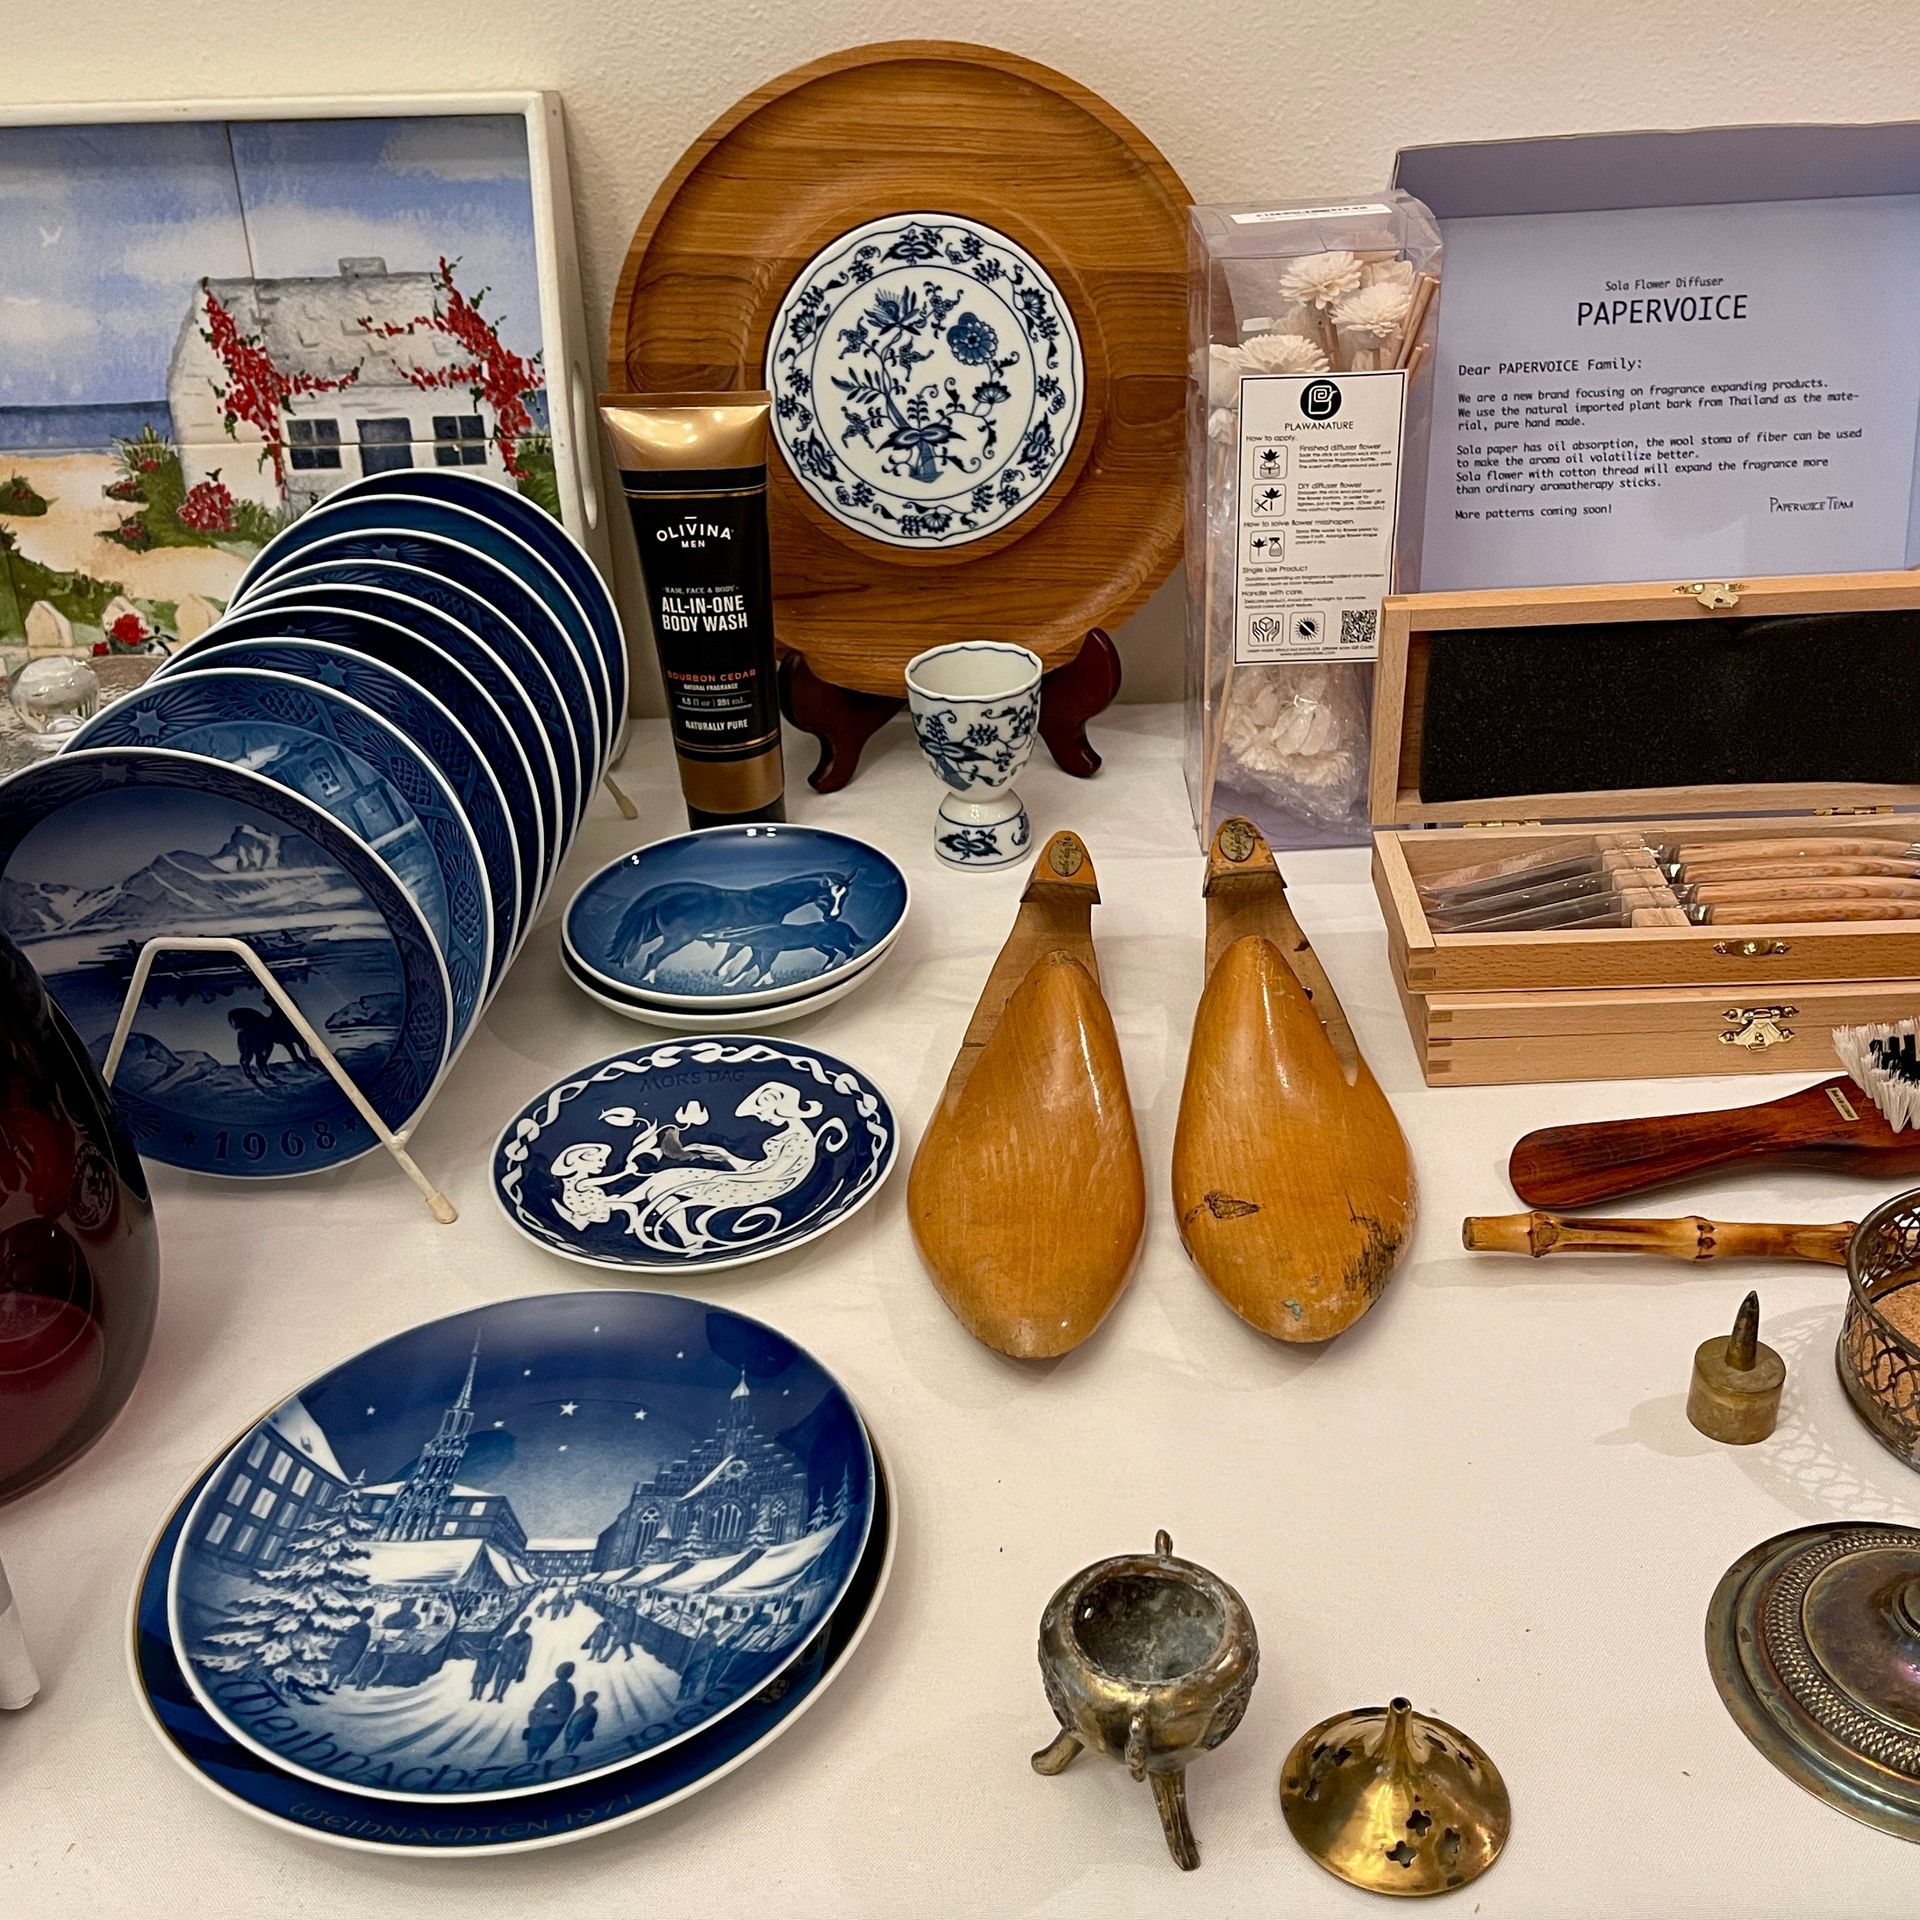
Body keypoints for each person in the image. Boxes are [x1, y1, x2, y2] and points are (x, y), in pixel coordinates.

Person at [521, 1661, 577, 1763]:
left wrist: (545, 1708)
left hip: (548, 1721)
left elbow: (548, 1704)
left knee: (537, 1740)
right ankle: (534, 1758)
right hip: (552, 1720)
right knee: (542, 1741)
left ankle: (532, 1759)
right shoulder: (563, 1687)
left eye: (561, 1671)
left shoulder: (561, 1688)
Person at [488, 1615, 534, 1703]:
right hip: (505, 1661)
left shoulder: (528, 1639)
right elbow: (503, 1649)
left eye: (526, 1623)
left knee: (508, 1679)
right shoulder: (510, 1637)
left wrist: (524, 1666)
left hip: (515, 1663)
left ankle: (500, 1695)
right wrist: (498, 1658)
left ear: (528, 1626)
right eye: (522, 1622)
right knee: (499, 1677)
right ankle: (494, 1694)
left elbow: (527, 1654)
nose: (523, 1625)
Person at [326, 1608, 373, 1691]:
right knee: (343, 1668)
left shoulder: (361, 1626)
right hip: (353, 1651)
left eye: (363, 1614)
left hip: (347, 1649)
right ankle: (337, 1683)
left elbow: (348, 1634)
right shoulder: (366, 1628)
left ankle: (331, 1683)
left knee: (337, 1667)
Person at [562, 1690, 599, 1755]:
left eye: (593, 1698)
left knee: (576, 1741)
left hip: (581, 1730)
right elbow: (571, 1721)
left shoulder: (593, 1711)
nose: (590, 1700)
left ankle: (569, 1752)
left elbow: (592, 1723)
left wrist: (589, 1731)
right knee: (569, 1742)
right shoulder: (580, 1710)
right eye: (589, 1697)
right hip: (573, 1729)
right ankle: (566, 1753)